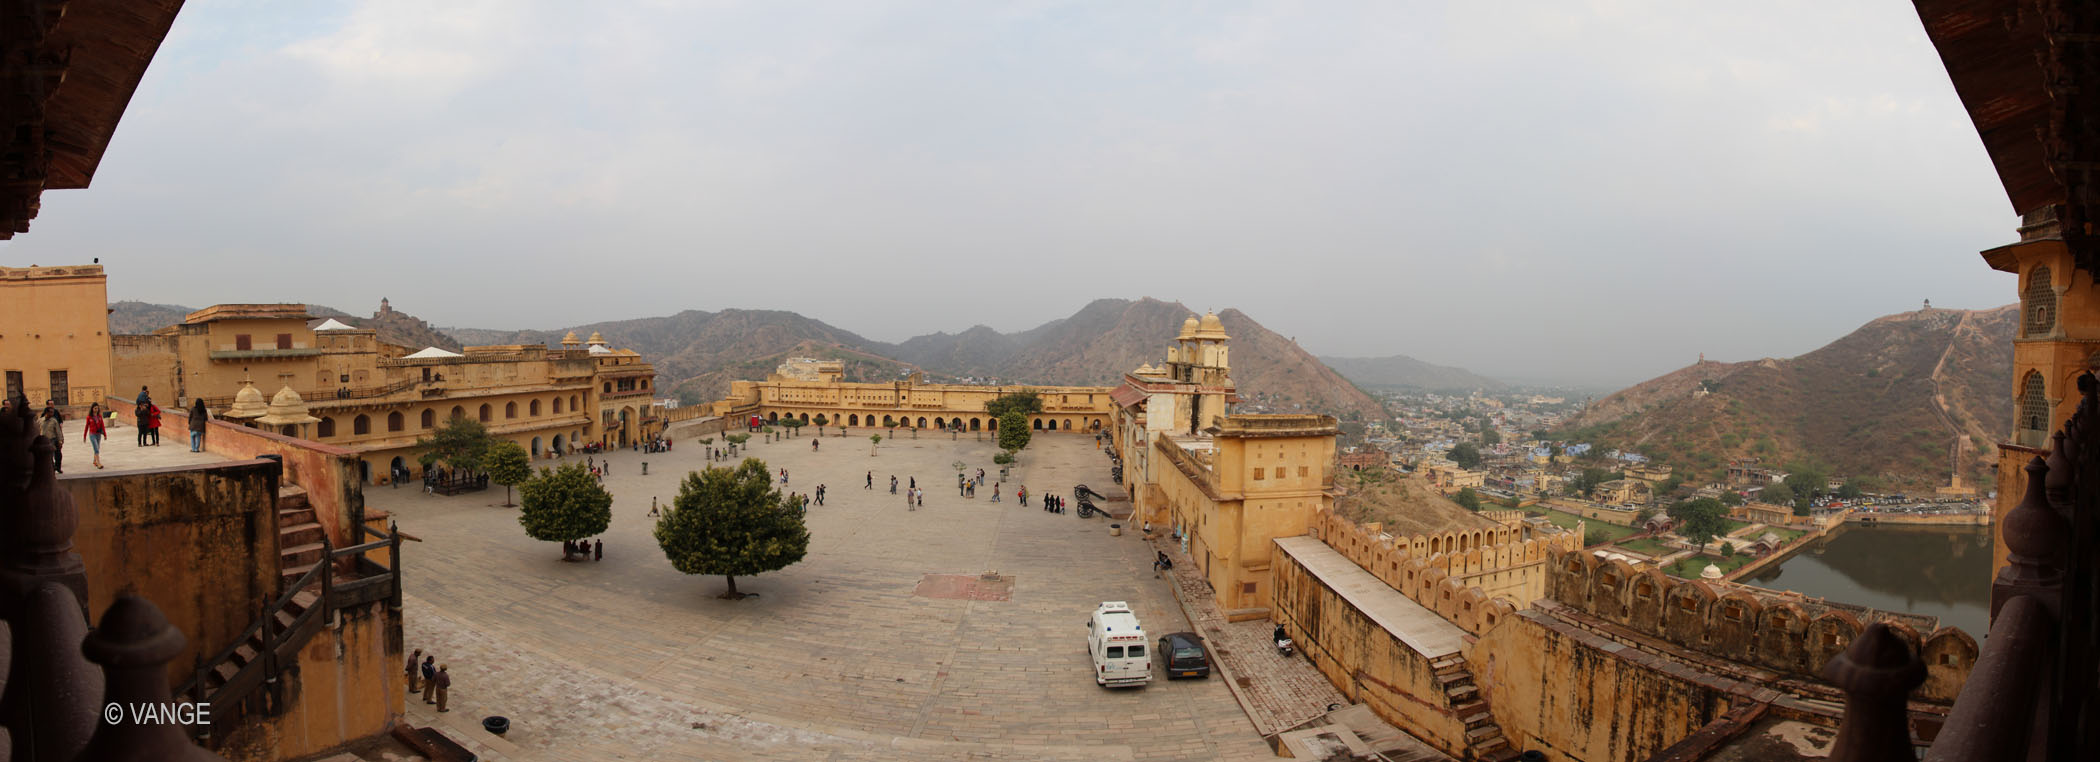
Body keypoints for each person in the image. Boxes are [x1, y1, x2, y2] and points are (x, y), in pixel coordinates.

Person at [40, 404, 64, 474]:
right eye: (50, 412)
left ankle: (58, 467)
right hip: (45, 441)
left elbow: (58, 431)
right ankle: (52, 468)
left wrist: (60, 440)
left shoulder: (54, 421)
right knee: (49, 456)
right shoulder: (40, 421)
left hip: (53, 440)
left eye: (52, 412)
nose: (52, 413)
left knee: (58, 455)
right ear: (46, 413)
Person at [83, 402, 106, 469]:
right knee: (96, 448)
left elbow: (102, 425)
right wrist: (84, 436)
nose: (96, 409)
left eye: (97, 408)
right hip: (92, 434)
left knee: (97, 447)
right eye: (95, 408)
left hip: (98, 434)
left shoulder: (99, 417)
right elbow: (86, 427)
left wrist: (105, 434)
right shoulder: (89, 417)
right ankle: (98, 463)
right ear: (92, 409)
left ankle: (94, 461)